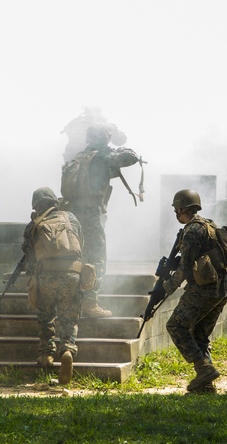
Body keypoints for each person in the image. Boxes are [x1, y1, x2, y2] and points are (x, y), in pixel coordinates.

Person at [65, 123, 140, 318]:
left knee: (78, 256)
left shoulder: (80, 155)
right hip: (91, 215)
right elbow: (131, 156)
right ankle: (90, 302)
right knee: (96, 257)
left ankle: (74, 299)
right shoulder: (102, 156)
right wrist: (113, 137)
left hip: (74, 214)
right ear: (104, 138)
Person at [163, 189, 227, 395]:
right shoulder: (209, 224)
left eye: (177, 210)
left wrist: (168, 287)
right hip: (221, 289)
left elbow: (185, 268)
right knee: (199, 335)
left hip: (204, 290)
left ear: (182, 209)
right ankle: (206, 386)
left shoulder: (193, 231)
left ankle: (204, 369)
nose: (176, 213)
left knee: (175, 325)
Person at [22, 187, 84, 385]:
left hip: (46, 276)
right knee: (69, 317)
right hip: (72, 274)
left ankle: (46, 355)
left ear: (36, 206)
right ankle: (67, 350)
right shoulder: (71, 218)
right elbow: (81, 244)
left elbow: (30, 257)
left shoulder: (35, 224)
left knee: (45, 315)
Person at [61, 107, 127, 163]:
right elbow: (120, 140)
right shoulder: (99, 125)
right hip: (88, 163)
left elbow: (121, 140)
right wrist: (111, 127)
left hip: (73, 165)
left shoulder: (76, 123)